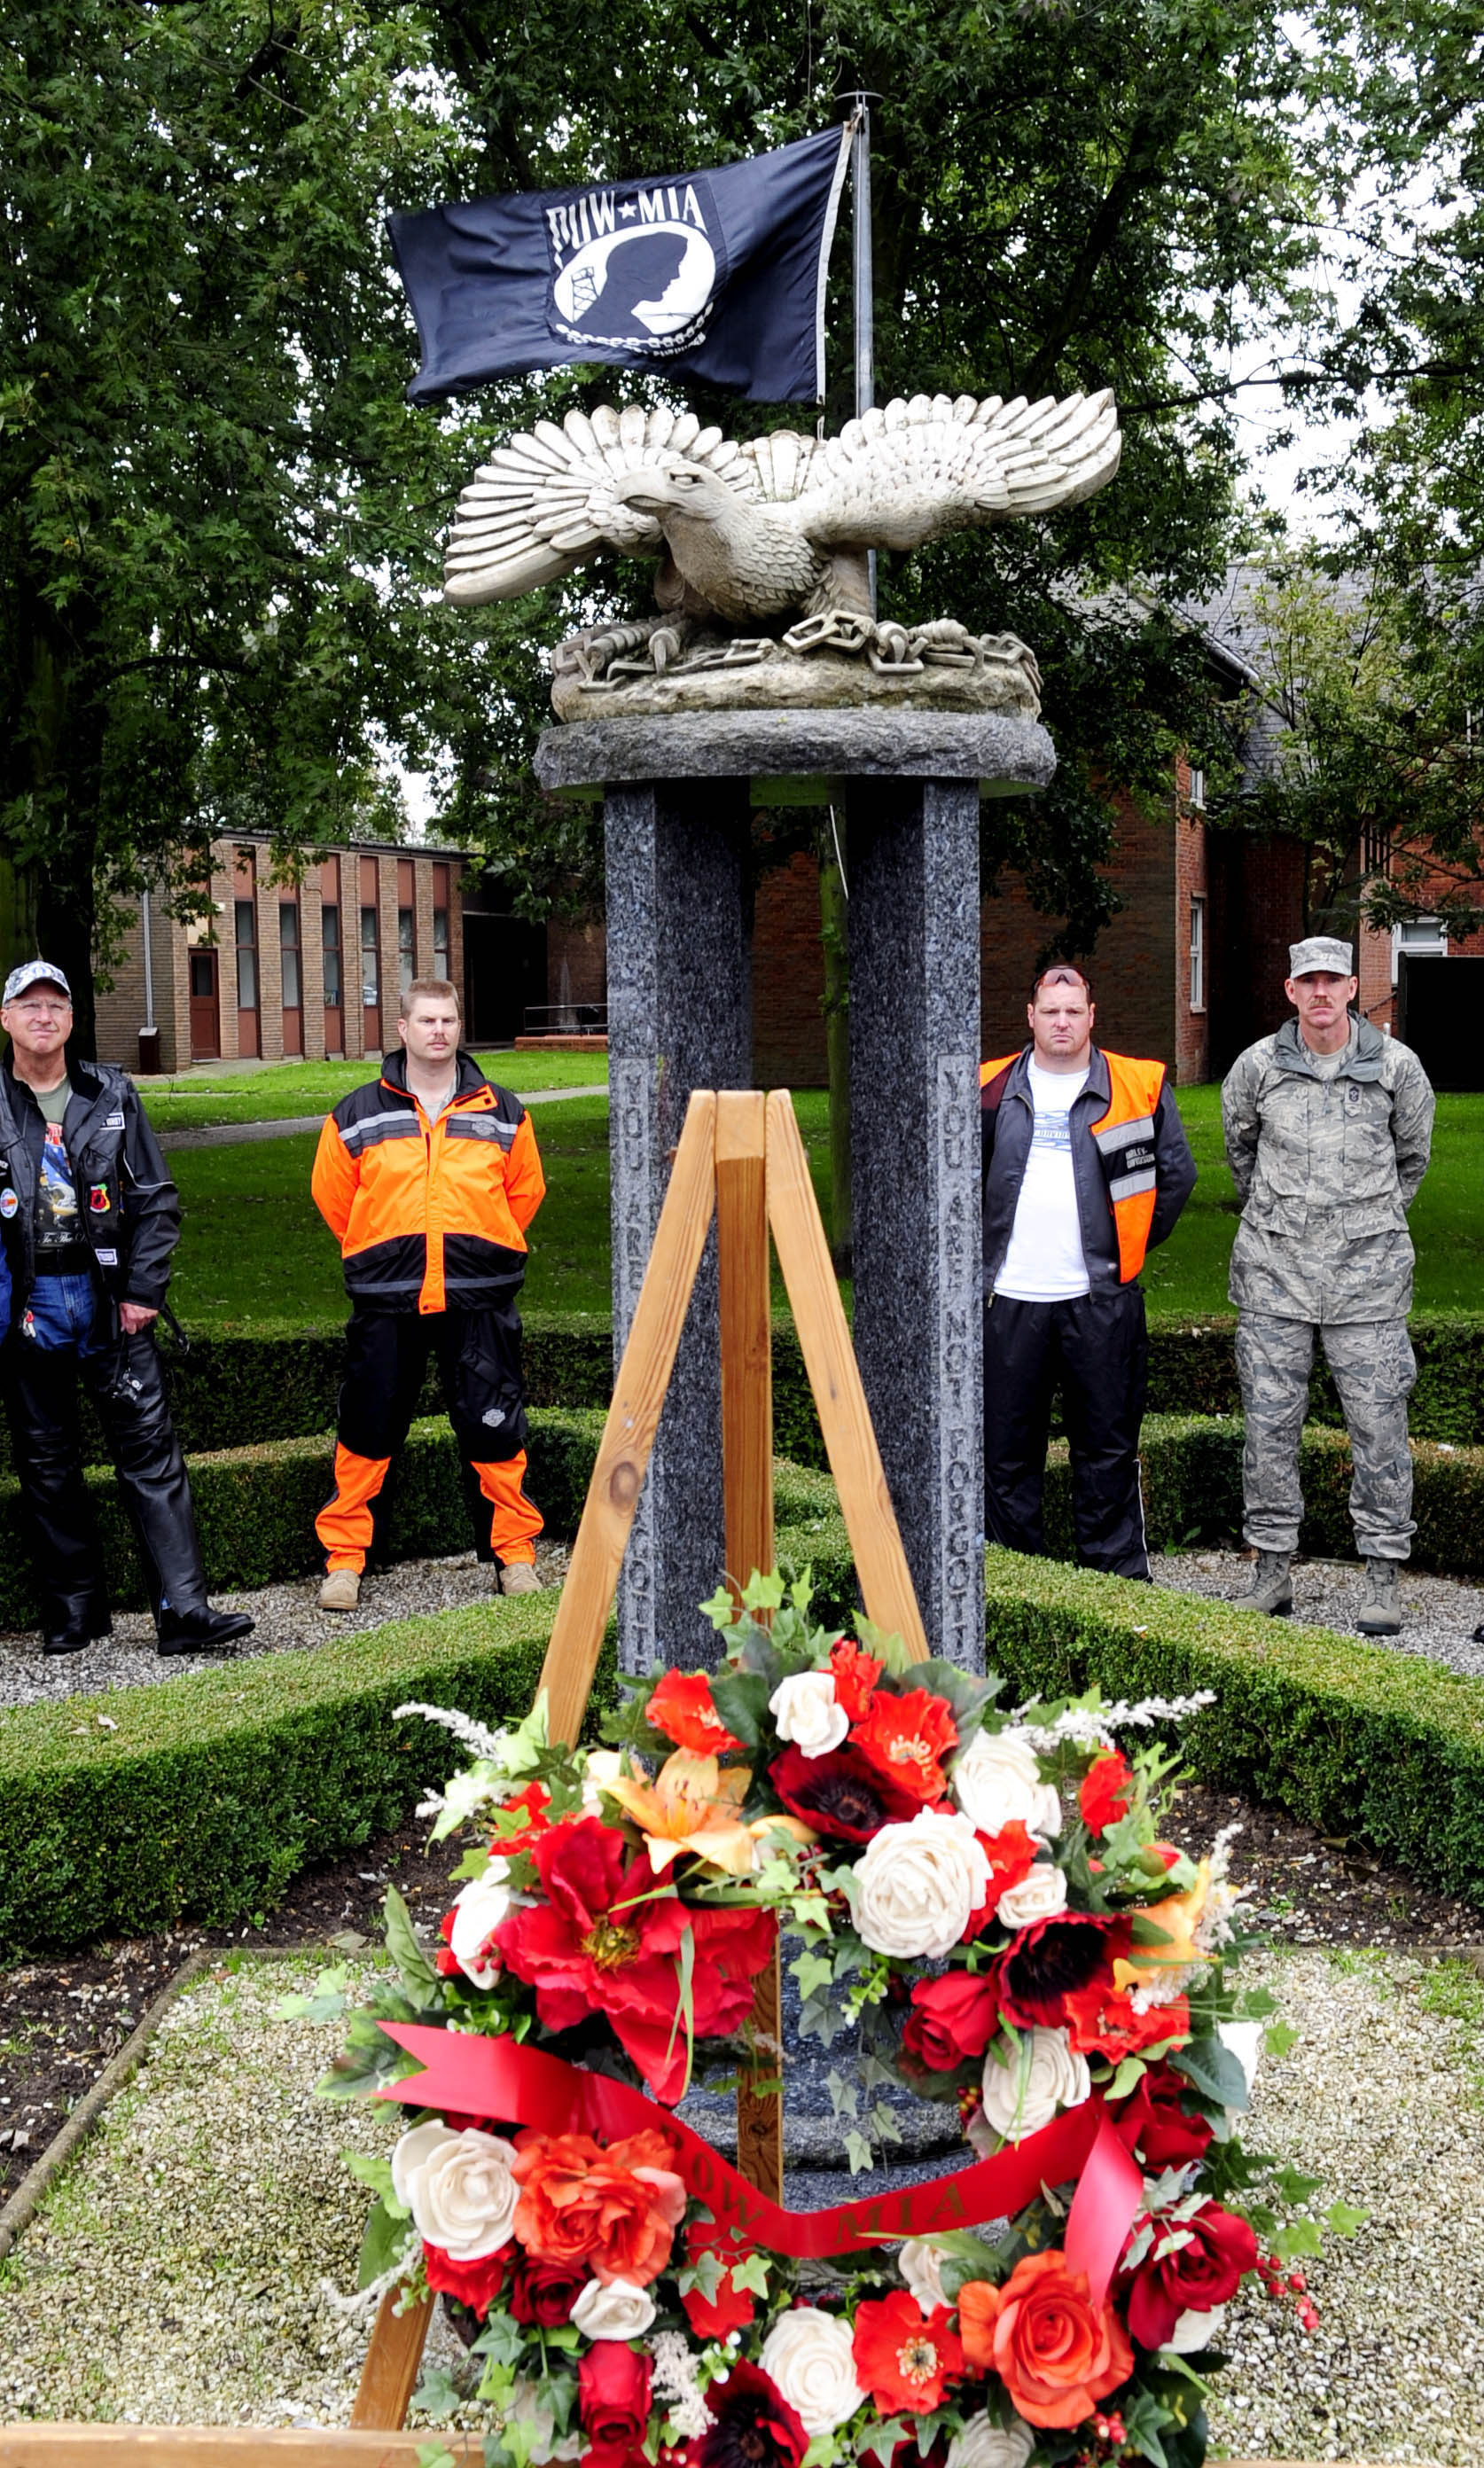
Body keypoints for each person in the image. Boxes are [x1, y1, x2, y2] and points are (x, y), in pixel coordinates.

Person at [0, 960, 254, 1655]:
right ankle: (73, 1613)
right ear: (6, 1018)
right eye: (29, 1005)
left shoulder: (111, 1091)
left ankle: (184, 1611)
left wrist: (144, 1289)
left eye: (56, 1005)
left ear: (72, 1019)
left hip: (108, 1299)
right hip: (28, 1304)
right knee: (46, 1464)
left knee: (151, 1456)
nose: (44, 1016)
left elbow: (156, 1198)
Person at [1222, 936, 1434, 1636]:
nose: (1320, 992)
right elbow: (1241, 1154)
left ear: (1351, 988)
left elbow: (1412, 1161)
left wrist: (1361, 1225)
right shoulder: (1256, 1067)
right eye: (1308, 980)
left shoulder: (1397, 1068)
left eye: (1332, 980)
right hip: (1274, 1278)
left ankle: (1382, 1575)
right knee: (1268, 1430)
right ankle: (1271, 1571)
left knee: (1380, 1431)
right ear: (1291, 990)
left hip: (1368, 1285)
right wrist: (1287, 1222)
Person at [312, 978, 546, 1609]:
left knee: (495, 1428)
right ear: (403, 1029)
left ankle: (515, 1554)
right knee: (366, 1428)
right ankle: (344, 1561)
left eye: (447, 1020)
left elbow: (524, 1193)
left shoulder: (504, 1111)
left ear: (458, 1027)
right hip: (387, 1299)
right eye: (426, 1021)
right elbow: (334, 1198)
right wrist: (384, 1248)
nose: (438, 1031)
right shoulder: (356, 1114)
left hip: (480, 1298)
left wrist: (481, 1246)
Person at [980, 964, 1197, 1578]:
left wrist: (1126, 1249)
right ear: (1030, 1017)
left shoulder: (1139, 1085)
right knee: (1005, 1457)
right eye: (1051, 1011)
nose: (1062, 1022)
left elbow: (1176, 1177)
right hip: (1008, 1301)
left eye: (1073, 1011)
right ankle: (1012, 1583)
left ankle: (1115, 1586)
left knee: (1107, 1452)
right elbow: (954, 1182)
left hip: (1101, 1303)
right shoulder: (987, 1087)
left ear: (1092, 1016)